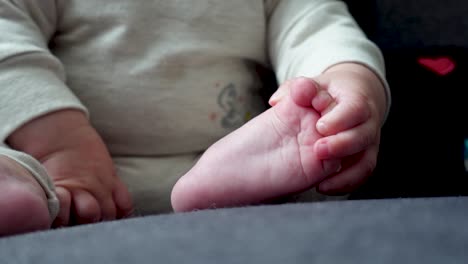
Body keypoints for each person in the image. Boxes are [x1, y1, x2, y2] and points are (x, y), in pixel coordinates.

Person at [0, 0, 390, 236]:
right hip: (61, 174)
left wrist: (342, 84)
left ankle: (224, 182)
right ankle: (21, 186)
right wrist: (61, 145)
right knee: (16, 164)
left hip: (217, 161)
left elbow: (319, 28)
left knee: (307, 139)